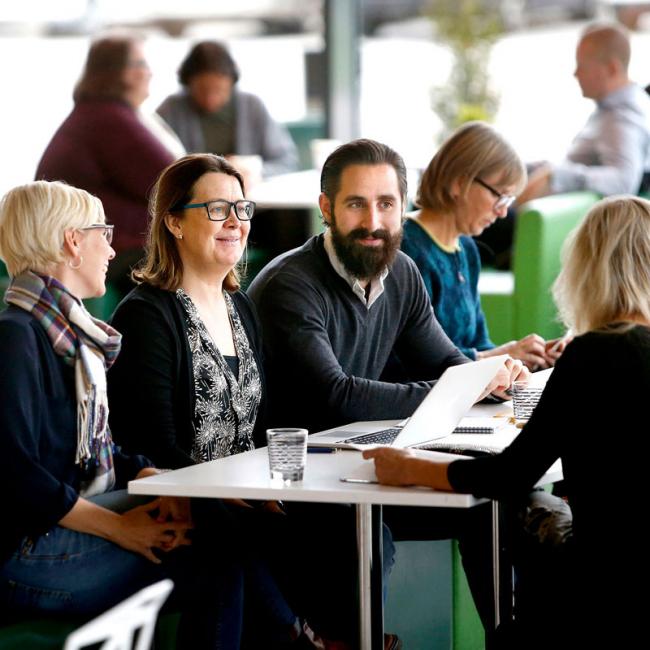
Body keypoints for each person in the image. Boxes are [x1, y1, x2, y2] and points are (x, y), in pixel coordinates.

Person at [248, 138, 529, 638]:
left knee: (492, 502)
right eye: (356, 204)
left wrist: (496, 376)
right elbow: (334, 395)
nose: (374, 222)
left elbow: (445, 361)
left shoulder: (401, 271)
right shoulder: (291, 285)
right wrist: (461, 386)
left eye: (386, 204)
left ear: (404, 208)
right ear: (327, 209)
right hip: (295, 481)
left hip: (362, 467)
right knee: (367, 537)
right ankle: (346, 640)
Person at [107, 153, 383, 647]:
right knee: (243, 534)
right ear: (173, 221)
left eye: (242, 208)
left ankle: (342, 636)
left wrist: (273, 488)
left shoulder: (241, 308)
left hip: (245, 493)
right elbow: (151, 444)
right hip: (187, 499)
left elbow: (262, 427)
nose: (235, 221)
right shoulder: (148, 316)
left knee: (355, 525)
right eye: (217, 209)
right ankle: (306, 641)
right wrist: (242, 496)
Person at [364, 194, 650, 647]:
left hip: (602, 588)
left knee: (508, 521)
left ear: (590, 267)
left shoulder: (597, 352)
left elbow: (509, 475)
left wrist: (409, 467)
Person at [0, 180, 246, 648]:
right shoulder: (18, 336)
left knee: (214, 522)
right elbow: (15, 475)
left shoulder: (69, 336)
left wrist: (156, 480)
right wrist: (121, 527)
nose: (112, 251)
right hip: (23, 553)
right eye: (103, 234)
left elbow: (97, 451)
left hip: (54, 530)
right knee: (217, 557)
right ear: (73, 242)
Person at [478, 22, 650, 267]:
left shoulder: (622, 116)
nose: (575, 73)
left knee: (457, 220)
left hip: (537, 224)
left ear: (611, 68)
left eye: (582, 65)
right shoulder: (615, 109)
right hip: (535, 215)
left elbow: (623, 180)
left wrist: (559, 174)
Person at [401, 121, 567, 370]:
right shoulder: (406, 249)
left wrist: (524, 360)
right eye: (499, 196)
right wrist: (499, 357)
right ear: (459, 182)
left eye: (508, 200)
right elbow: (408, 360)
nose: (502, 212)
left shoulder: (466, 249)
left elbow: (479, 343)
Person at [35, 33, 180, 296]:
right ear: (121, 73)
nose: (149, 73)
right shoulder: (110, 119)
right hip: (88, 248)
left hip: (77, 240)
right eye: (141, 64)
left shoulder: (98, 113)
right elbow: (177, 183)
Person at [157, 41, 298, 186]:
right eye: (201, 90)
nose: (210, 99)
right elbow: (155, 167)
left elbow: (286, 161)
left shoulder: (252, 107)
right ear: (187, 83)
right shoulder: (170, 110)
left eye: (218, 90)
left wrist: (255, 171)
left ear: (231, 83)